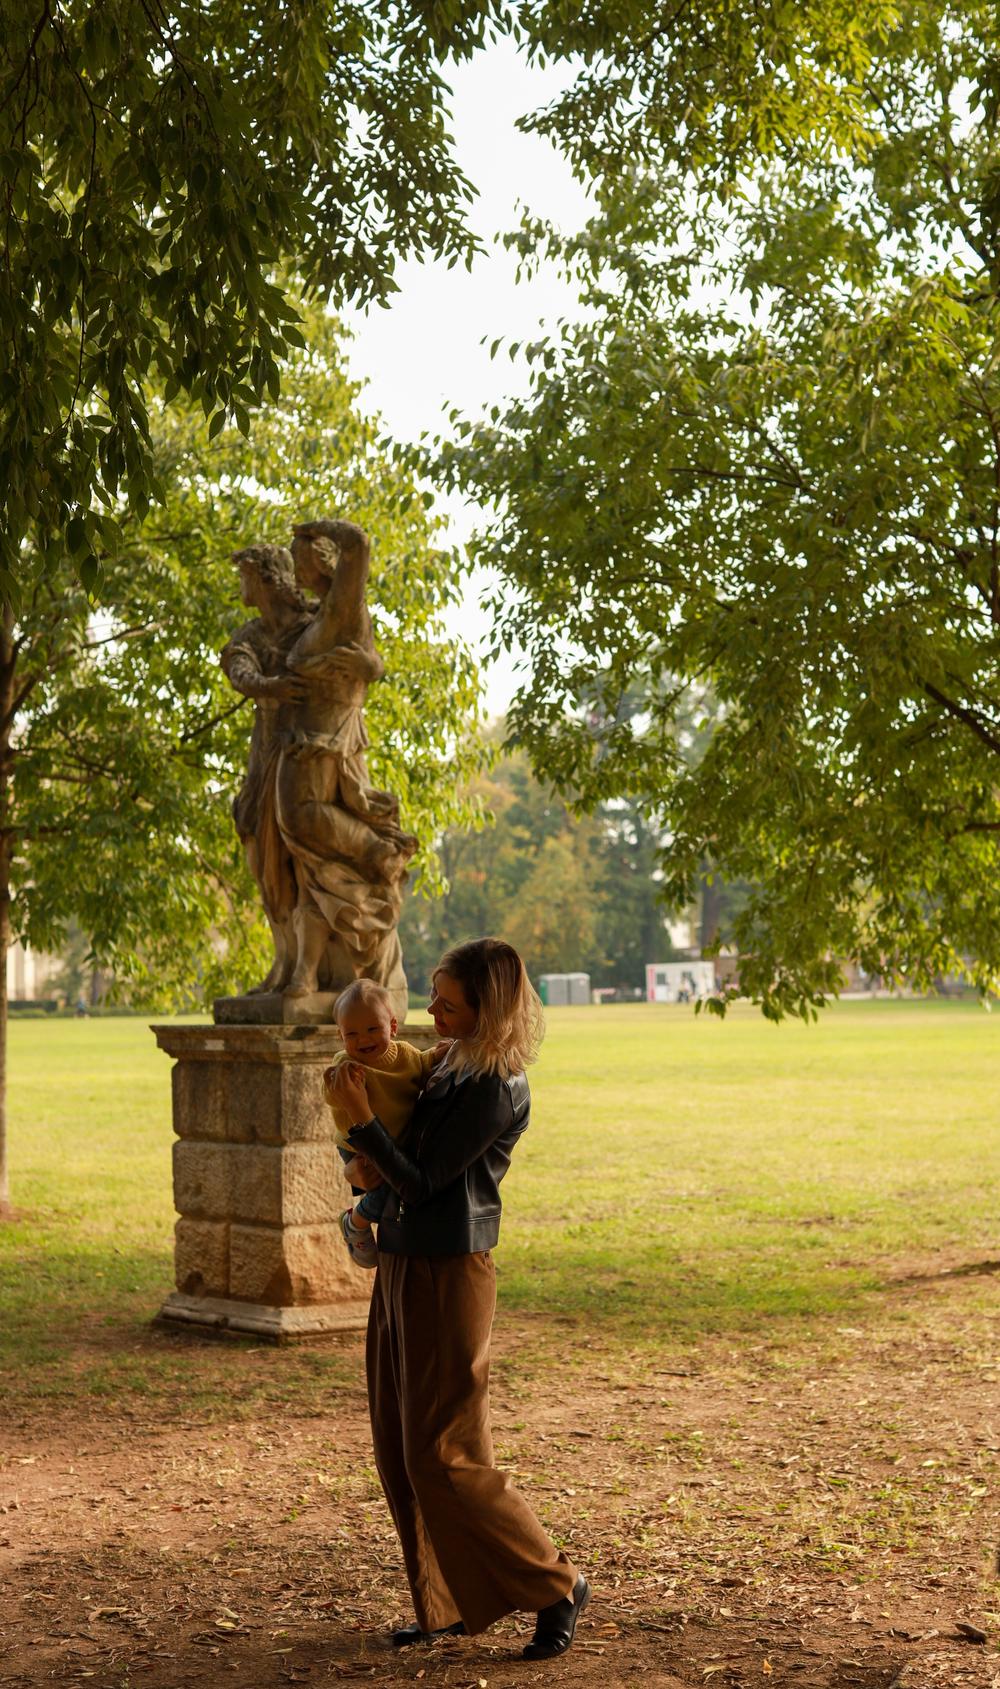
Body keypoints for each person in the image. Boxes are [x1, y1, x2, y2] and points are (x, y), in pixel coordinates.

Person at [328, 937, 590, 1661]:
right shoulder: (444, 1065)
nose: (432, 1011)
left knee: (446, 1453)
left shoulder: (498, 1083)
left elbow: (421, 1180)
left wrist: (360, 1122)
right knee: (398, 1447)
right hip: (403, 1265)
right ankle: (440, 1604)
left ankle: (555, 1584)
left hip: (451, 1271)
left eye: (448, 1001)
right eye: (435, 997)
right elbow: (383, 1165)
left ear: (487, 1007)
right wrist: (355, 1140)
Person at [323, 978, 442, 1268]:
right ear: (341, 1036)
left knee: (394, 1187)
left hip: (392, 1142)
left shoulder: (406, 1056)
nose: (363, 1040)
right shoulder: (346, 1064)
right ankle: (356, 1225)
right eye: (351, 1033)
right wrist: (337, 1082)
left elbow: (422, 1066)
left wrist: (440, 1054)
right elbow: (331, 1094)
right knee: (387, 1187)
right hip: (357, 1144)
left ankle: (356, 1220)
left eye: (372, 1029)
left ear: (392, 1026)